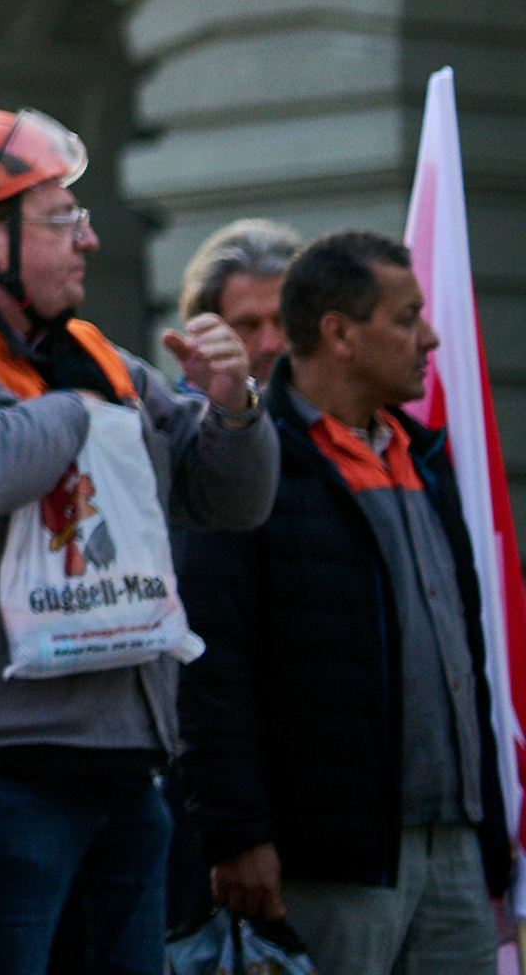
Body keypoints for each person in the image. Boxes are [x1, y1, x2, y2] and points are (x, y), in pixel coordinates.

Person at [0, 107, 273, 975]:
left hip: (119, 761)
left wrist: (234, 408)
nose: (90, 240)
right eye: (64, 219)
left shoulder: (90, 353)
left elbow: (229, 499)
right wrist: (83, 409)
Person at [180, 231, 517, 975]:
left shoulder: (426, 459)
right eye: (405, 318)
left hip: (452, 855)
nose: (427, 336)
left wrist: (491, 837)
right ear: (338, 335)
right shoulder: (250, 466)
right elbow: (210, 663)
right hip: (325, 864)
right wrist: (238, 834)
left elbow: (470, 662)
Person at [175, 220, 302, 385]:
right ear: (203, 331)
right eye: (248, 326)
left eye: (283, 321)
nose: (270, 345)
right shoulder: (175, 410)